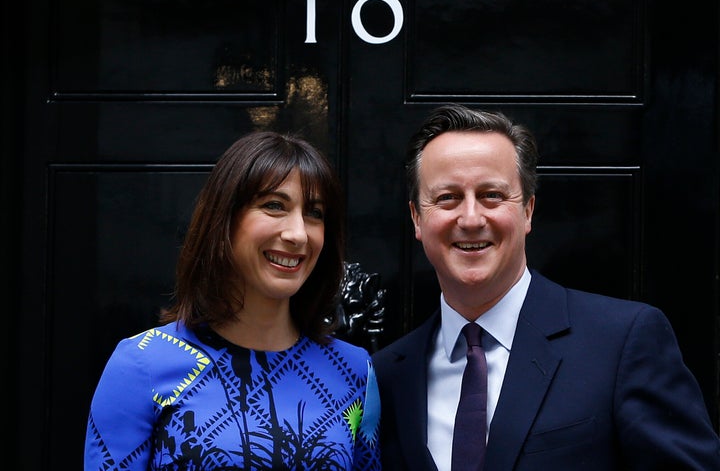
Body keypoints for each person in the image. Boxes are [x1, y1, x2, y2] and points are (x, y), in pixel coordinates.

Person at [372, 104, 720, 470]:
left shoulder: (622, 342)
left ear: (528, 211)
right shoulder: (388, 376)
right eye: (448, 198)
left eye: (492, 194)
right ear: (417, 218)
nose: (471, 218)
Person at [84, 131, 381, 470]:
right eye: (274, 205)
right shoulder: (141, 365)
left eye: (314, 213)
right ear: (224, 220)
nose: (298, 233)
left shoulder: (354, 371)